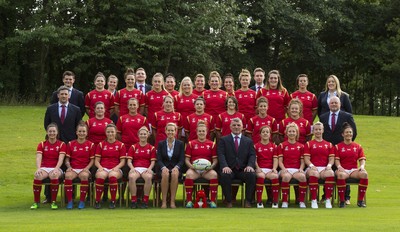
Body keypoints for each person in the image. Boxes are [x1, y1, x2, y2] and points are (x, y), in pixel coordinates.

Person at [320, 96, 357, 205]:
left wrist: (347, 144)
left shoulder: (347, 116)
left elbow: (353, 132)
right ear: (329, 105)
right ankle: (326, 195)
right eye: (332, 103)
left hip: (343, 149)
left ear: (340, 104)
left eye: (336, 103)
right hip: (327, 150)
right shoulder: (323, 117)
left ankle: (346, 197)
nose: (334, 105)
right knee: (328, 172)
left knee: (344, 171)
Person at [217, 118, 256, 208]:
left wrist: (250, 166)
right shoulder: (223, 140)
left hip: (243, 169)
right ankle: (229, 201)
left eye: (238, 125)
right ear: (230, 127)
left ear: (242, 127)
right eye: (234, 125)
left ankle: (248, 201)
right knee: (224, 175)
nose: (236, 127)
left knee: (252, 175)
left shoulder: (248, 141)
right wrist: (225, 166)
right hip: (229, 169)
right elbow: (221, 154)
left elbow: (252, 155)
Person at [31, 123, 66, 210]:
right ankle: (36, 202)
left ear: (57, 132)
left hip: (56, 168)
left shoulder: (62, 144)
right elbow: (38, 157)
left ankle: (53, 202)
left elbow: (61, 159)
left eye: (54, 131)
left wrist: (56, 169)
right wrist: (38, 168)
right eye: (50, 131)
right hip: (44, 168)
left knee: (54, 175)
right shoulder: (42, 144)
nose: (52, 133)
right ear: (47, 132)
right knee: (37, 175)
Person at [184, 121, 218, 208]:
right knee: (188, 174)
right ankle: (189, 201)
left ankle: (212, 201)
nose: (201, 133)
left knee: (214, 175)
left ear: (206, 132)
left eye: (203, 131)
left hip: (207, 170)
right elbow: (187, 160)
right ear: (196, 132)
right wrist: (191, 167)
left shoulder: (212, 144)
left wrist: (211, 167)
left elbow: (215, 160)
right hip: (194, 169)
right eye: (200, 131)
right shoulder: (191, 143)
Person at [335, 122, 368, 208]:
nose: (349, 134)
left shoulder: (358, 146)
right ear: (343, 134)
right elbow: (336, 160)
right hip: (342, 169)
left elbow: (362, 159)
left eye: (350, 132)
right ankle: (342, 201)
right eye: (347, 132)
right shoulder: (338, 147)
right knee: (341, 175)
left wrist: (362, 166)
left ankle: (360, 201)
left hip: (353, 170)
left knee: (364, 174)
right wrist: (339, 167)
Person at [94, 124, 126, 209]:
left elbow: (123, 161)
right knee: (100, 176)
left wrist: (117, 167)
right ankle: (97, 201)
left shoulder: (121, 145)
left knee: (112, 176)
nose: (110, 133)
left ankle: (113, 201)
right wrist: (100, 167)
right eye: (108, 132)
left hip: (115, 168)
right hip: (103, 167)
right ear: (105, 133)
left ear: (115, 133)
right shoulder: (101, 144)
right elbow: (96, 161)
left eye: (112, 132)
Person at [304, 122, 335, 209]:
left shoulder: (329, 144)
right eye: (316, 129)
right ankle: (314, 199)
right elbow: (306, 159)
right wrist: (311, 165)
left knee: (331, 173)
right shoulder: (308, 144)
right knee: (313, 174)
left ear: (323, 130)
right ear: (313, 131)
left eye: (320, 129)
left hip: (324, 168)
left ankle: (328, 199)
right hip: (312, 167)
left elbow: (332, 159)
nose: (318, 131)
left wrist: (329, 165)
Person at [64, 122, 95, 209]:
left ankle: (82, 201)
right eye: (80, 131)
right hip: (73, 168)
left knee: (84, 176)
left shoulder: (90, 145)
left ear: (87, 133)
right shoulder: (70, 144)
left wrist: (87, 168)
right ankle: (70, 201)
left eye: (83, 131)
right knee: (67, 176)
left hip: (84, 168)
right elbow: (67, 159)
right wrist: (69, 167)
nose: (82, 133)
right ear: (76, 132)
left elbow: (92, 160)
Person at [278, 122, 307, 208]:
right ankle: (285, 201)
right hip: (285, 169)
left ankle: (301, 201)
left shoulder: (301, 146)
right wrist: (283, 169)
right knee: (286, 177)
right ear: (286, 133)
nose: (291, 133)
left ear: (297, 133)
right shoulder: (282, 145)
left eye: (293, 131)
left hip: (296, 169)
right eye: (289, 131)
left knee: (302, 177)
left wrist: (301, 169)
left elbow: (302, 161)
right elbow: (280, 161)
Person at [156, 123, 185, 208]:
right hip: (163, 167)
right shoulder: (161, 144)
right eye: (168, 130)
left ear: (175, 132)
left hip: (176, 167)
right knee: (165, 174)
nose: (170, 132)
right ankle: (164, 202)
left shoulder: (180, 144)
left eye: (172, 130)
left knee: (174, 174)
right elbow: (159, 159)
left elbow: (182, 159)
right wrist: (163, 167)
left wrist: (177, 167)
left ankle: (172, 201)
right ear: (165, 131)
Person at [127, 126, 156, 209]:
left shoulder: (151, 148)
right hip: (135, 168)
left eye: (144, 134)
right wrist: (132, 168)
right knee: (131, 177)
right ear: (138, 135)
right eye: (141, 134)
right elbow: (129, 161)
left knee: (148, 177)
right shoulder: (133, 147)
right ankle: (133, 200)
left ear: (148, 135)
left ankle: (145, 201)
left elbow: (153, 161)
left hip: (146, 168)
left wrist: (150, 169)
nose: (143, 135)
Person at [254, 126, 279, 209]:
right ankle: (259, 201)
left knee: (274, 176)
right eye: (263, 132)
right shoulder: (256, 146)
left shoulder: (274, 146)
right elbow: (255, 159)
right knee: (261, 176)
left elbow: (275, 159)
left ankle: (275, 201)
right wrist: (257, 168)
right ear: (260, 134)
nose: (265, 133)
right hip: (260, 169)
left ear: (270, 135)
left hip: (269, 169)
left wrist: (274, 168)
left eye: (267, 132)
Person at [174, 77, 198, 141]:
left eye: (188, 85)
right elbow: (174, 112)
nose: (186, 87)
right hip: (180, 126)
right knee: (180, 144)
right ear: (182, 86)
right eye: (185, 85)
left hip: (193, 125)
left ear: (191, 86)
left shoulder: (196, 98)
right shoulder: (177, 98)